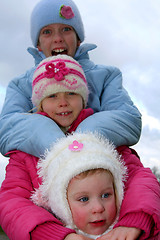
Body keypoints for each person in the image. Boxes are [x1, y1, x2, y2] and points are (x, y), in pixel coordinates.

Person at [0, 54, 159, 240]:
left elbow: (140, 180)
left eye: (71, 93)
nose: (63, 102)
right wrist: (53, 234)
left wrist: (135, 221)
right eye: (52, 96)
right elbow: (12, 201)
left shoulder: (104, 139)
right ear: (40, 104)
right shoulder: (25, 153)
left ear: (84, 99)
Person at [0, 0, 142, 159]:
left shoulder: (106, 76)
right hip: (41, 176)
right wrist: (57, 145)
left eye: (66, 29)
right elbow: (6, 130)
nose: (58, 38)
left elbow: (129, 119)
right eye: (47, 32)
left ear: (78, 38)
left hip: (104, 171)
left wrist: (81, 141)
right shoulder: (21, 86)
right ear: (38, 44)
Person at [31, 132, 127, 240]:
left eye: (105, 195)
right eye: (84, 199)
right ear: (62, 205)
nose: (98, 208)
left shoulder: (129, 233)